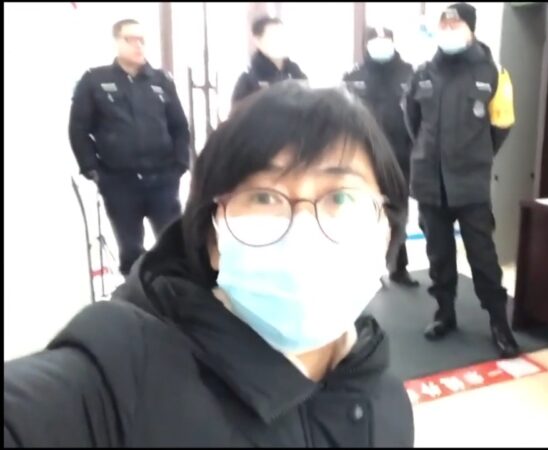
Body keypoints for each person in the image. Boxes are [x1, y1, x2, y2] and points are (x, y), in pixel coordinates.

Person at [5, 83, 415, 447]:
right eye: (264, 197)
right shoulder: (122, 377)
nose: (304, 229)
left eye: (341, 197)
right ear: (214, 238)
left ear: (386, 231)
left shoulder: (385, 400)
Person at [402, 3, 519, 358]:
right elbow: (413, 122)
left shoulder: (494, 73)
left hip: (471, 184)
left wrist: (475, 155)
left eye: (456, 24)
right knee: (438, 254)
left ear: (471, 29)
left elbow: (502, 125)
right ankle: (444, 313)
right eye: (444, 24)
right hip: (429, 181)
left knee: (482, 256)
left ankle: (498, 322)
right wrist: (430, 154)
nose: (449, 30)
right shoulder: (422, 73)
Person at [69, 19, 190, 276]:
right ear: (116, 41)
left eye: (142, 40)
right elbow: (78, 129)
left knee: (174, 246)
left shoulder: (161, 81)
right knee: (131, 249)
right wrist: (92, 168)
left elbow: (180, 127)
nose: (138, 45)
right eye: (130, 39)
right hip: (119, 182)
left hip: (162, 180)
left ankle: (174, 291)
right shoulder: (95, 81)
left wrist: (180, 165)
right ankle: (136, 293)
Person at [344, 26, 418, 288]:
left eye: (385, 39)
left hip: (401, 157)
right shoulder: (353, 76)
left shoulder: (410, 75)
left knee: (398, 214)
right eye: (375, 40)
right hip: (365, 158)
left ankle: (399, 267)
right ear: (366, 45)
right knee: (366, 214)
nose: (381, 44)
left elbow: (421, 117)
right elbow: (344, 117)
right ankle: (368, 269)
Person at [232, 15, 307, 106]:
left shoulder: (296, 73)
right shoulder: (248, 81)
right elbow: (239, 113)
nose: (280, 42)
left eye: (283, 36)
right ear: (257, 41)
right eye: (273, 37)